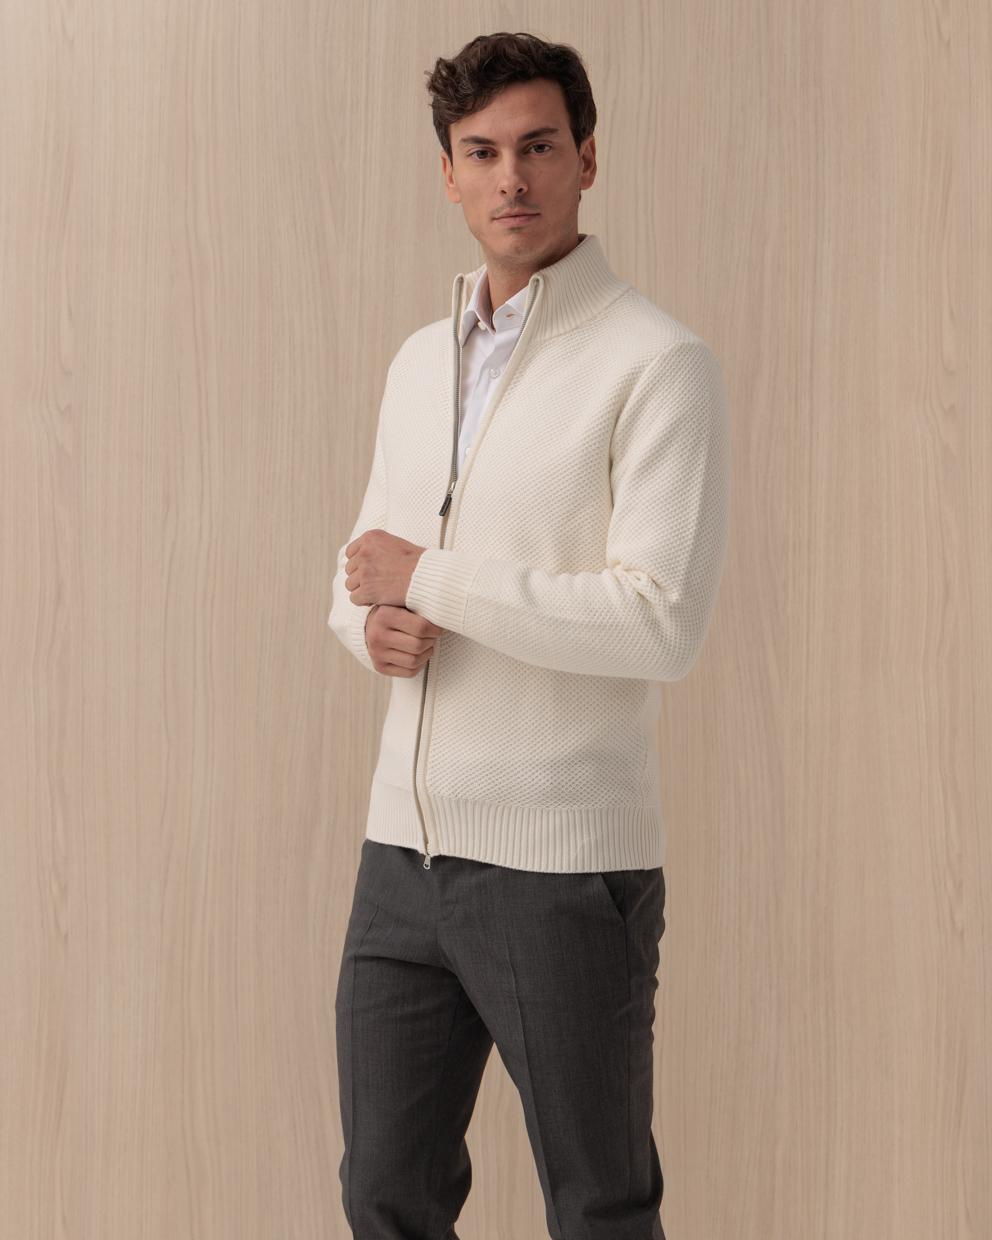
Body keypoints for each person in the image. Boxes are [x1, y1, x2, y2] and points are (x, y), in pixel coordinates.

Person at [327, 30, 730, 1240]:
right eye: (482, 151)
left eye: (538, 147)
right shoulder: (418, 362)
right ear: (447, 173)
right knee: (384, 1195)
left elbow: (657, 619)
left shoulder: (655, 363)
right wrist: (368, 624)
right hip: (401, 858)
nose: (511, 178)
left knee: (598, 1207)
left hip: (561, 869)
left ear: (586, 160)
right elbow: (363, 567)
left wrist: (431, 582)